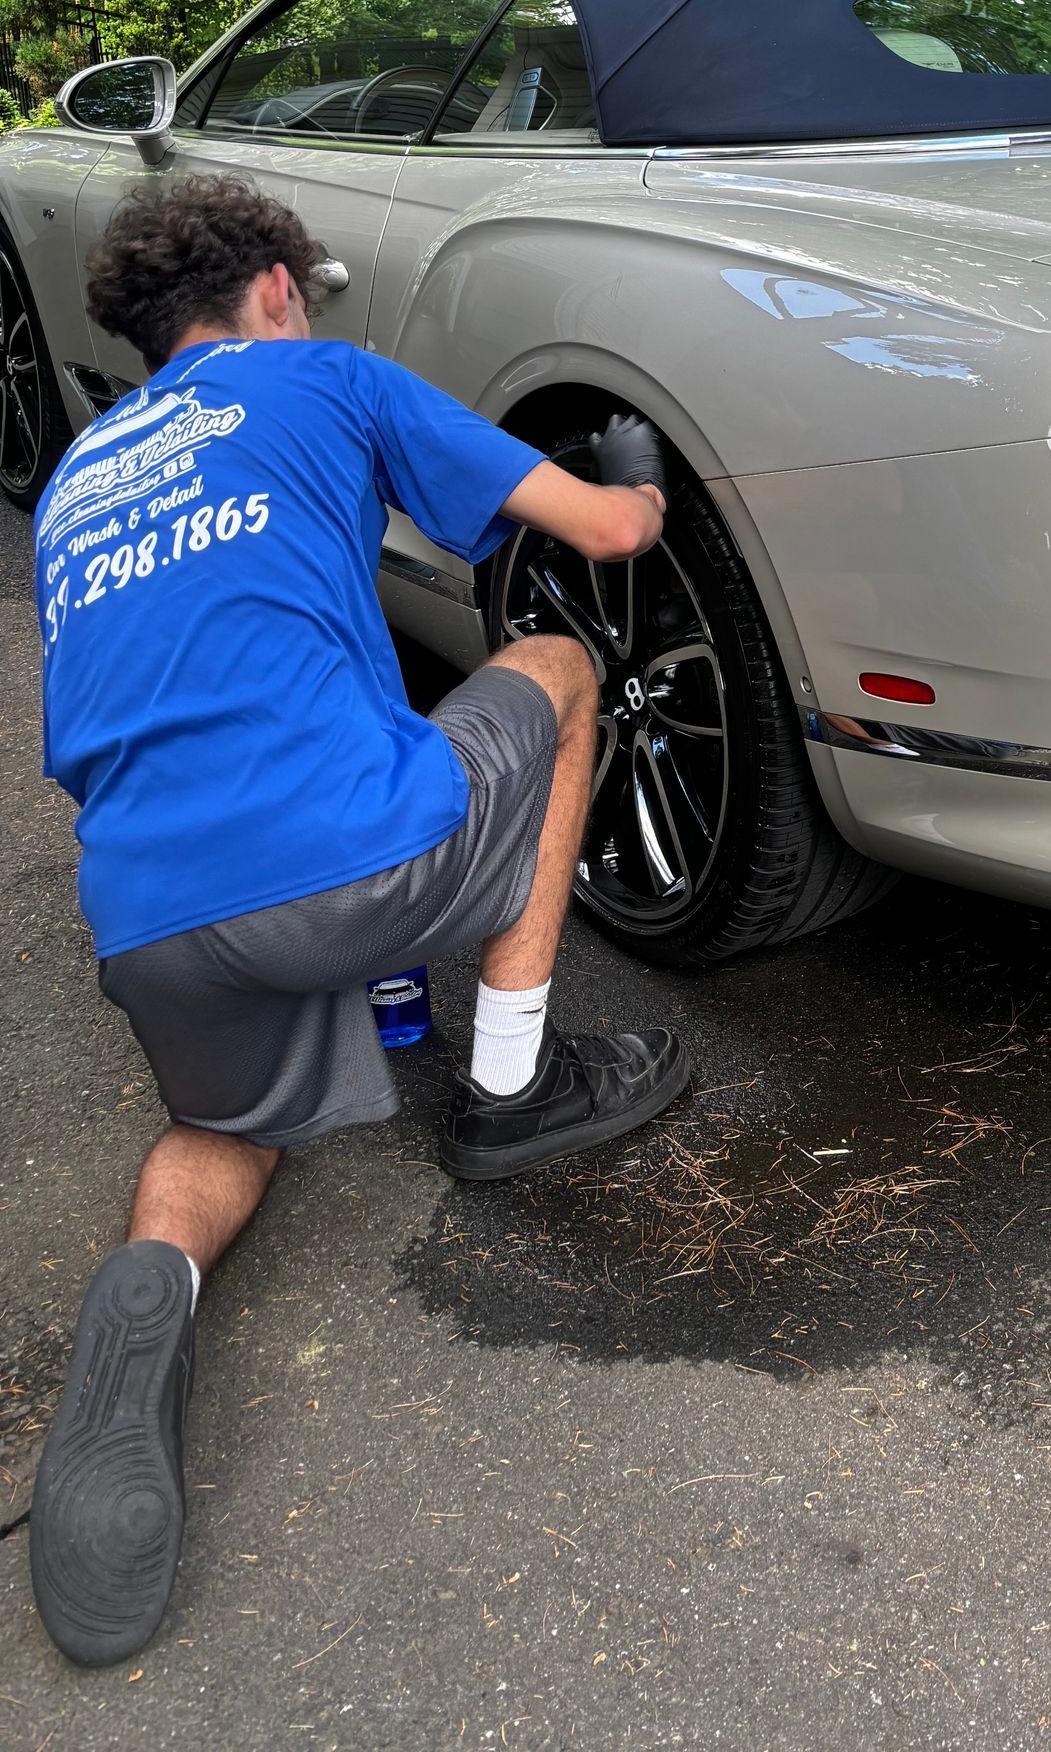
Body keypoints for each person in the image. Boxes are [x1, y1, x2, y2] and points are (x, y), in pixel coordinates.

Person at [26, 173, 688, 1668]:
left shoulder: (80, 478)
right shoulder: (322, 373)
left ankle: (152, 1290)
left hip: (152, 917)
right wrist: (634, 479)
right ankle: (515, 1085)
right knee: (556, 672)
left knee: (222, 1132)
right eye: (302, 287)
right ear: (270, 287)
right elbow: (599, 532)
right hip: (346, 862)